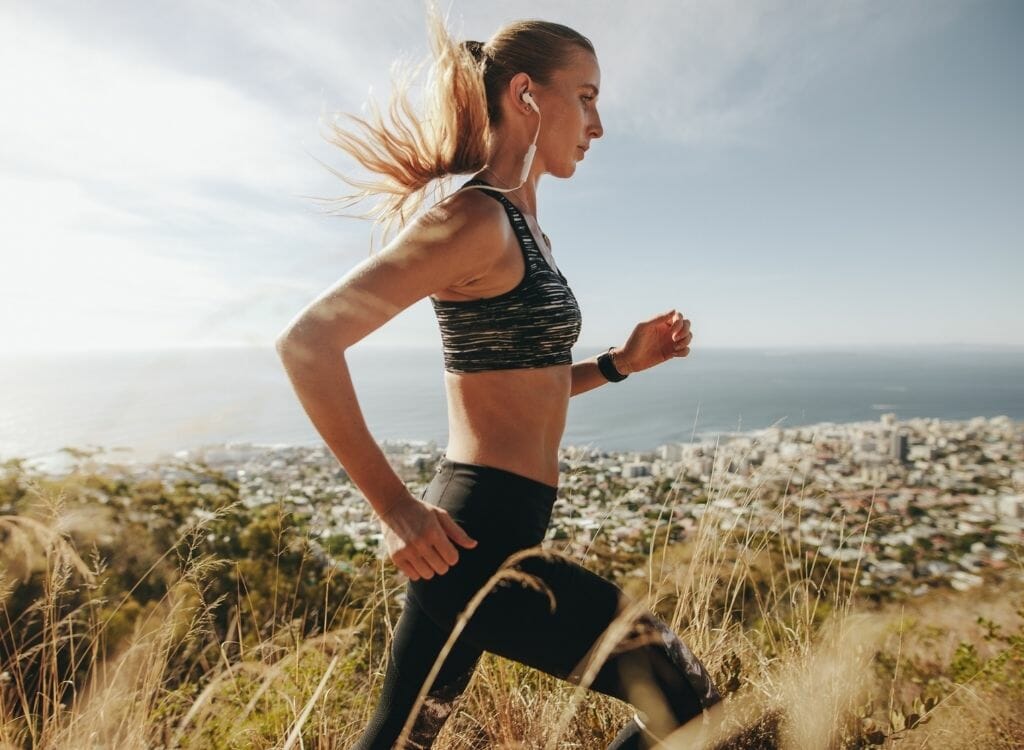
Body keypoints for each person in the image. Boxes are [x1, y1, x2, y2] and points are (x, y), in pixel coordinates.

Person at [276, 5, 721, 748]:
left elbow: (525, 383)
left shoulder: (526, 229)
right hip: (475, 539)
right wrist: (395, 508)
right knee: (686, 695)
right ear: (525, 95)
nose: (598, 125)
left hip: (493, 529)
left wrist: (619, 364)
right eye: (586, 98)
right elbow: (307, 344)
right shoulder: (474, 221)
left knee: (399, 740)